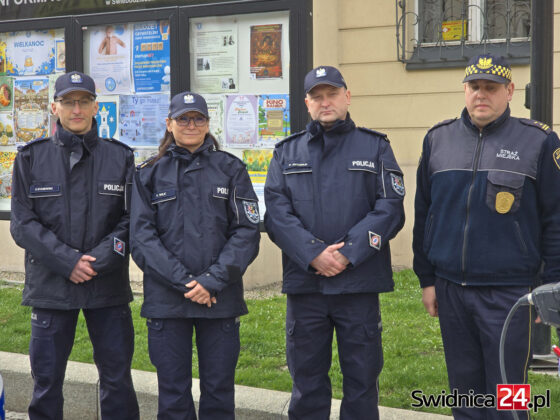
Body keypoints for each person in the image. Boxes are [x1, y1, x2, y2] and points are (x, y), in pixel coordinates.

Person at [413, 54, 560, 419]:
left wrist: (550, 287)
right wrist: (427, 280)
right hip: (451, 290)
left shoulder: (538, 142)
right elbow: (424, 213)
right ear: (465, 90)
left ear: (509, 91)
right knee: (464, 393)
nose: (481, 94)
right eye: (474, 86)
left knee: (508, 394)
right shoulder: (438, 139)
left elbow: (556, 220)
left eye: (491, 88)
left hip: (509, 292)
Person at [264, 66, 405, 419]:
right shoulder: (286, 152)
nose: (325, 102)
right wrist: (313, 253)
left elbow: (390, 208)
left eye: (332, 94)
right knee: (306, 382)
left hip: (358, 284)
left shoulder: (375, 147)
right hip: (306, 286)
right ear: (307, 103)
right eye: (317, 97)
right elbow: (277, 214)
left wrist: (348, 254)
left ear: (347, 97)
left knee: (362, 380)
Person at [10, 71, 139, 419]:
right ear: (55, 107)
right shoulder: (30, 159)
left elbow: (133, 220)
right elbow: (22, 224)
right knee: (46, 381)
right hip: (51, 286)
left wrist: (97, 261)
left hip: (106, 285)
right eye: (69, 102)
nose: (77, 109)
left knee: (117, 379)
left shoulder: (121, 158)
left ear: (96, 107)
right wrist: (68, 262)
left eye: (84, 101)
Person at [130, 92, 260, 419]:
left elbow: (246, 232)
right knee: (173, 394)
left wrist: (212, 281)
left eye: (198, 118)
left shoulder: (231, 169)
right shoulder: (148, 173)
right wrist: (187, 283)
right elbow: (142, 238)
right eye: (183, 119)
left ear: (207, 123)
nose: (191, 125)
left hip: (219, 298)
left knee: (219, 391)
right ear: (169, 124)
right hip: (167, 300)